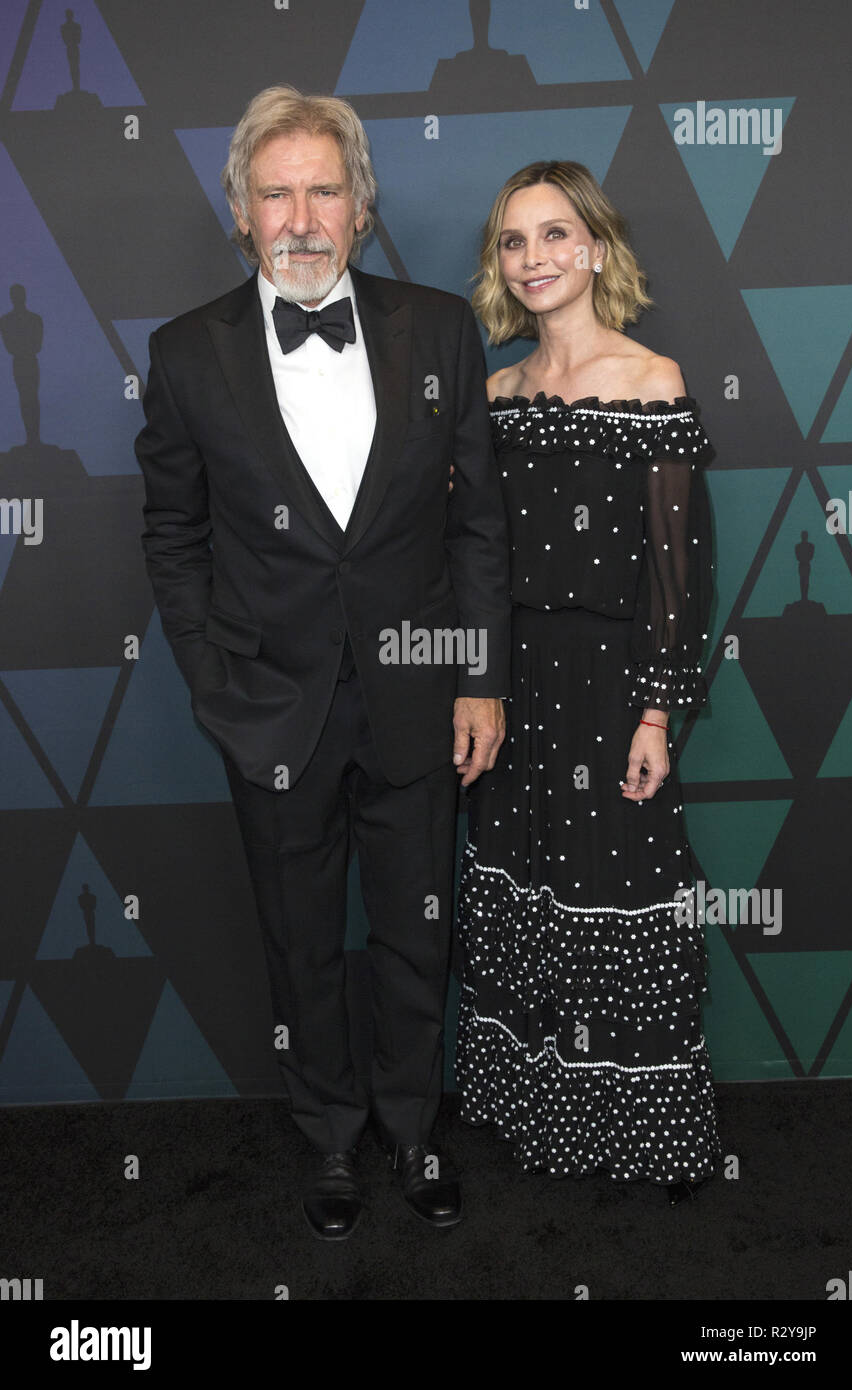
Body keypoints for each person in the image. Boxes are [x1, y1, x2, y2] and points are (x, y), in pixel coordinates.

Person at [135, 86, 511, 1239]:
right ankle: (332, 1137)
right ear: (241, 213)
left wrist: (479, 675)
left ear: (360, 205)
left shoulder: (439, 326)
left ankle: (410, 1128)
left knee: (415, 927)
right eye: (275, 190)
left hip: (418, 695)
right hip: (270, 708)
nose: (300, 214)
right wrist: (215, 682)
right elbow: (174, 536)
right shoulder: (185, 352)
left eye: (324, 187)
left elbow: (476, 526)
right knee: (301, 938)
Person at [455, 160, 721, 1201]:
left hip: (611, 681)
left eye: (555, 235)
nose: (534, 259)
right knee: (528, 893)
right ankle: (543, 1121)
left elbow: (673, 570)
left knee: (620, 892)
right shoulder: (492, 393)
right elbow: (466, 556)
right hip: (513, 681)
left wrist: (656, 708)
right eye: (514, 242)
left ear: (596, 249)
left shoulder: (649, 379)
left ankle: (645, 1136)